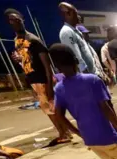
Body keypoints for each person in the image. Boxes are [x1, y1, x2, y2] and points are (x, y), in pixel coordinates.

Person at [5, 9, 71, 145]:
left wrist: (49, 85)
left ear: (23, 19)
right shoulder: (17, 40)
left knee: (51, 109)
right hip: (33, 79)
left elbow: (47, 65)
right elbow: (26, 60)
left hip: (42, 79)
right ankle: (64, 132)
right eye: (12, 20)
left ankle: (65, 133)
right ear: (9, 23)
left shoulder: (33, 40)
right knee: (47, 108)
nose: (16, 23)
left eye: (18, 19)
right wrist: (18, 59)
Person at [58, 3, 96, 75]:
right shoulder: (67, 32)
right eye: (75, 14)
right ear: (68, 14)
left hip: (92, 73)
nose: (78, 16)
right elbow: (77, 58)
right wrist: (87, 76)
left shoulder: (76, 31)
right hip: (86, 76)